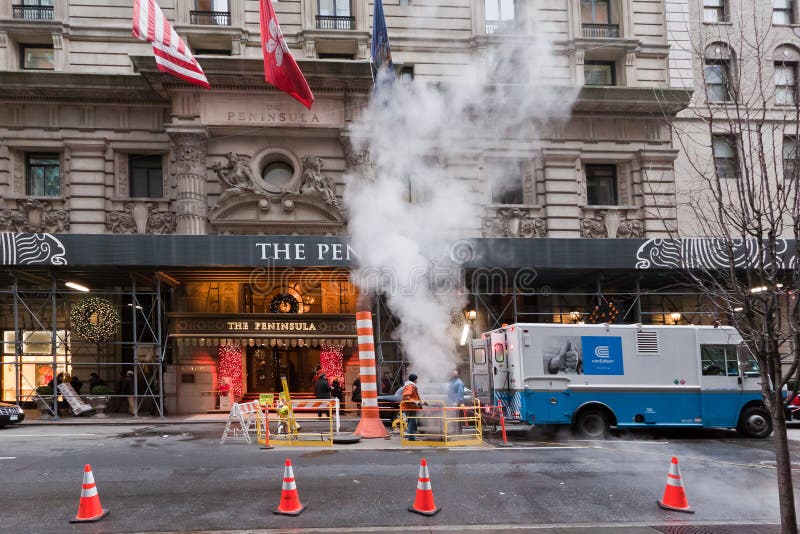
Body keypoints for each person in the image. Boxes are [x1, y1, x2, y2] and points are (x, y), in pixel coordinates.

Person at [401, 373, 424, 441]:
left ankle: (411, 436)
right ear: (415, 380)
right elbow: (406, 396)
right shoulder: (410, 386)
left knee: (411, 421)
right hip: (410, 407)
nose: (417, 381)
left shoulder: (409, 385)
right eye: (417, 379)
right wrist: (415, 402)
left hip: (410, 407)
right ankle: (411, 437)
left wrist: (419, 402)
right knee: (412, 422)